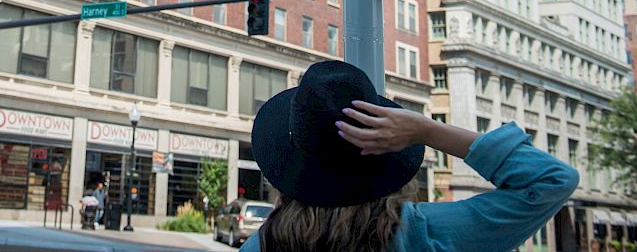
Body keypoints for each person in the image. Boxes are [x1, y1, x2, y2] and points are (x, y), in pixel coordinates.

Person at [241, 60, 579, 252]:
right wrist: (427, 130)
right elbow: (552, 180)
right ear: (386, 157)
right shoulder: (423, 232)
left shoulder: (262, 246)